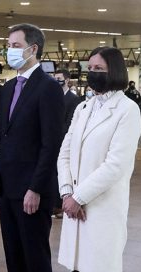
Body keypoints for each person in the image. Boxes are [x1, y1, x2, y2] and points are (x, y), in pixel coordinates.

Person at [57, 46, 141, 272]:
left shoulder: (128, 110)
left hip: (101, 210)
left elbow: (116, 165)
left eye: (100, 67)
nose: (93, 72)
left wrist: (79, 196)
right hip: (75, 208)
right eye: (89, 66)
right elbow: (65, 151)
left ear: (115, 70)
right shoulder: (83, 107)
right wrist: (66, 192)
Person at [0, 23, 64, 272]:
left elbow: (51, 144)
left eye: (15, 44)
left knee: (34, 258)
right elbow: (4, 139)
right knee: (14, 257)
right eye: (8, 44)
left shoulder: (48, 89)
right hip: (8, 187)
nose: (9, 50)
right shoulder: (8, 88)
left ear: (33, 49)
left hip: (32, 189)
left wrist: (37, 187)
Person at [53, 68, 82, 217]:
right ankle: (53, 203)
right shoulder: (51, 97)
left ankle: (59, 205)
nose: (56, 80)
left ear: (67, 80)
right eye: (54, 77)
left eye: (59, 78)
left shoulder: (73, 99)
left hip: (63, 140)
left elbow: (70, 123)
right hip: (51, 140)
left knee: (61, 171)